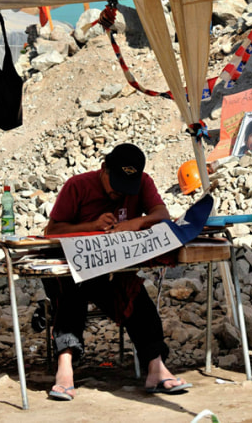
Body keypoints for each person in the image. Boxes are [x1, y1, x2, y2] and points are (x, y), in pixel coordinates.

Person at [43, 142, 192, 401]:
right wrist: (91, 226)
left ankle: (156, 367)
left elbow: (162, 214)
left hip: (112, 270)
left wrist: (135, 223)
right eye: (115, 186)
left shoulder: (143, 182)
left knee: (135, 295)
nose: (119, 193)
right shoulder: (77, 186)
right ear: (104, 169)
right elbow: (52, 231)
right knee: (70, 294)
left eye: (126, 188)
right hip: (72, 270)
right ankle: (64, 368)